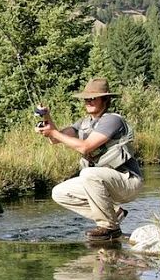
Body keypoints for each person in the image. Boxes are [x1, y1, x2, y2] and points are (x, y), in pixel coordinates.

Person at [34, 78, 142, 241]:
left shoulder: (112, 120)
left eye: (93, 98)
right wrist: (47, 117)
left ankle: (109, 228)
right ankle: (114, 213)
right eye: (86, 98)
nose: (89, 101)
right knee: (60, 193)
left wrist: (53, 133)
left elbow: (85, 147)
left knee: (88, 174)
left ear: (105, 100)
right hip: (102, 181)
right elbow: (56, 139)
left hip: (127, 181)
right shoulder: (83, 123)